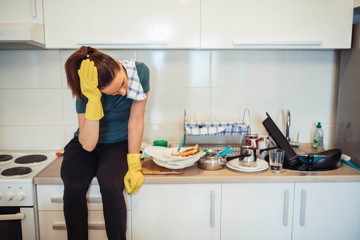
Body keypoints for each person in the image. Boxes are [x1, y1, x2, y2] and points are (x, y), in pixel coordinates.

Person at [61, 46, 149, 240]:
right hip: (85, 142)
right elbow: (89, 144)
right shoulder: (86, 92)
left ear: (118, 64)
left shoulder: (140, 72)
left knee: (110, 185)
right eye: (115, 92)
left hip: (118, 143)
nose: (124, 91)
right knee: (74, 187)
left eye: (123, 83)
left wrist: (134, 163)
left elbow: (135, 121)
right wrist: (93, 98)